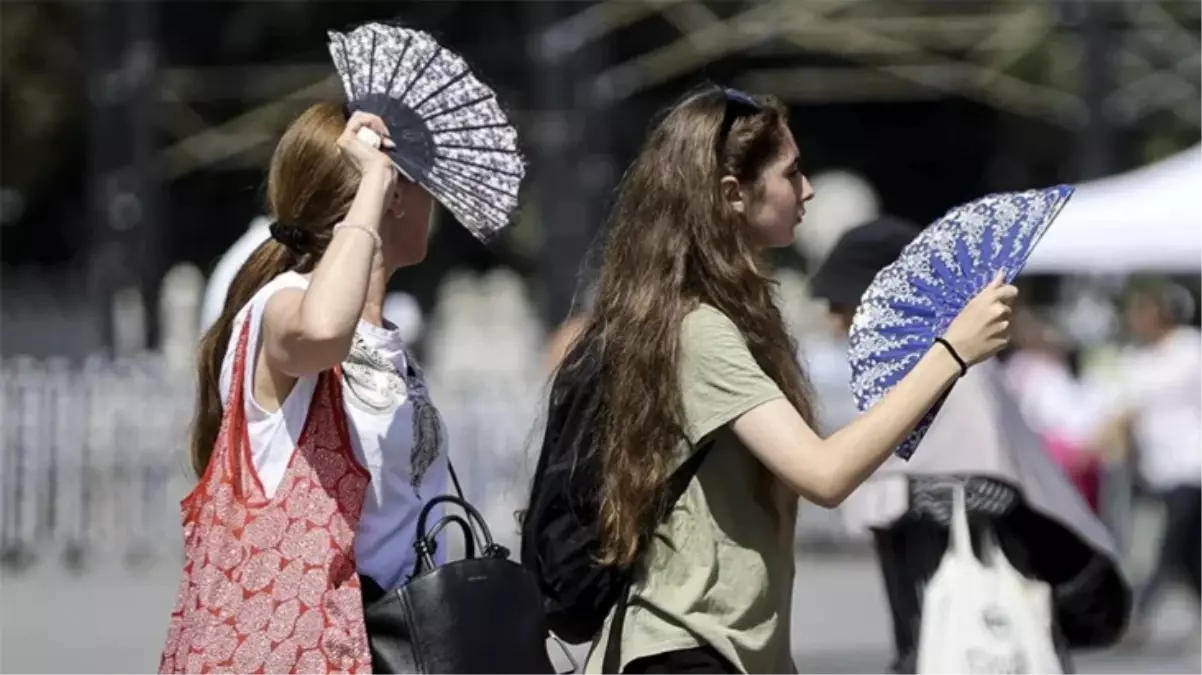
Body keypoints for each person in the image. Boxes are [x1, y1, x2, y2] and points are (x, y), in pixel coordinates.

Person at [569, 84, 1017, 675]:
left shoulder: (729, 318)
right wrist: (950, 352)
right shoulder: (699, 330)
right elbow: (824, 474)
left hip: (730, 651)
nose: (807, 192)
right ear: (733, 194)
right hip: (685, 649)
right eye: (792, 173)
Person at [161, 103, 448, 671]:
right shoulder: (281, 306)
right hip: (296, 651)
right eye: (424, 181)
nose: (434, 200)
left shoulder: (390, 344)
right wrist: (373, 182)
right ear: (391, 194)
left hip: (382, 646)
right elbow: (323, 330)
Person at [810, 217, 1131, 674]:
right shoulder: (912, 369)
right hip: (930, 618)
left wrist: (907, 493)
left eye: (841, 302)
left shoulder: (956, 367)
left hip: (978, 617)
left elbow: (995, 488)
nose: (834, 320)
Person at [1102, 283, 1202, 643]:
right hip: (1158, 468)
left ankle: (1136, 616)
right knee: (1190, 552)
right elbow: (1126, 410)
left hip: (1192, 464)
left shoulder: (1190, 349)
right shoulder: (1136, 360)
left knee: (1168, 545)